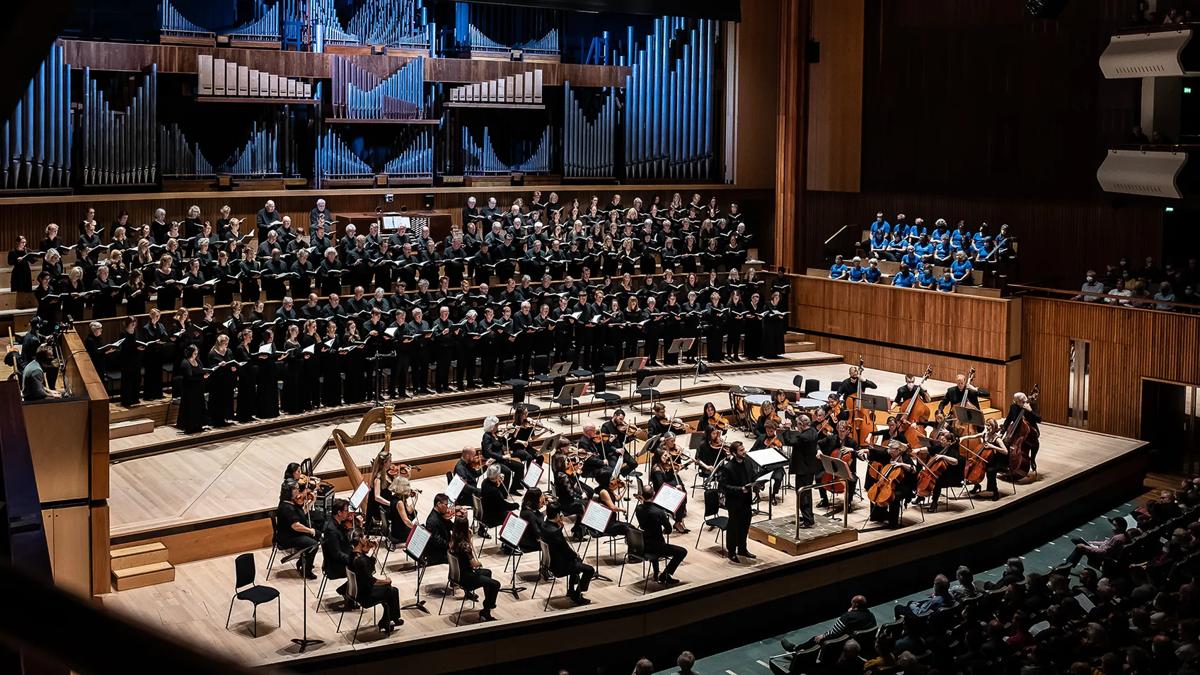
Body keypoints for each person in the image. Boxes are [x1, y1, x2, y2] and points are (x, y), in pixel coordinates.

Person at [448, 515, 501, 621]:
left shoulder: (452, 540)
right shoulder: (464, 545)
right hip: (467, 578)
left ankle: (487, 606)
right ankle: (487, 608)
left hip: (457, 575)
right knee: (496, 584)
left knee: (487, 573)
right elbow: (474, 564)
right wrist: (479, 562)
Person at [633, 486, 687, 585]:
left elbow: (645, 510)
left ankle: (656, 572)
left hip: (643, 544)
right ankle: (665, 575)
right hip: (657, 546)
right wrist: (663, 530)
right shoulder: (659, 512)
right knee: (682, 552)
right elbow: (669, 530)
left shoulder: (638, 508)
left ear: (642, 495)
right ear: (654, 494)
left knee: (656, 544)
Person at [781, 595, 876, 651]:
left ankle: (795, 648)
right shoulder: (871, 615)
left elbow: (835, 632)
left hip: (843, 644)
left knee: (817, 638)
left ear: (855, 604)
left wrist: (823, 636)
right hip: (863, 644)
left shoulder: (847, 616)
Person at [349, 534, 403, 633]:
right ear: (361, 540)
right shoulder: (361, 560)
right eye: (365, 538)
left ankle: (390, 619)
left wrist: (373, 549)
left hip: (357, 591)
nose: (367, 539)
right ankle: (387, 621)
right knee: (391, 590)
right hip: (365, 596)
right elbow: (371, 580)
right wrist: (385, 581)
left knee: (391, 590)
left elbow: (368, 568)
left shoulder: (353, 554)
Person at [543, 503, 595, 605]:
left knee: (576, 561)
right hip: (560, 567)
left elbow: (558, 543)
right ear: (558, 516)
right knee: (589, 570)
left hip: (550, 563)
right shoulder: (555, 533)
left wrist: (560, 526)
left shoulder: (544, 525)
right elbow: (566, 550)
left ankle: (571, 590)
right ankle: (577, 593)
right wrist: (576, 555)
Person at [718, 441, 756, 562]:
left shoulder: (747, 461)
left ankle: (742, 549)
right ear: (734, 453)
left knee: (745, 526)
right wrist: (740, 489)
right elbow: (723, 487)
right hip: (734, 503)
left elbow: (753, 476)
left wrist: (758, 483)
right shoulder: (728, 468)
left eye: (743, 448)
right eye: (741, 450)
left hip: (746, 500)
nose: (744, 451)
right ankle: (732, 552)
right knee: (734, 528)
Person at [276, 480, 318, 578]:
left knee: (317, 535)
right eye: (296, 488)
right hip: (287, 537)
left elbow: (301, 514)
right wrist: (309, 530)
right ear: (289, 491)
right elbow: (296, 525)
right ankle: (306, 571)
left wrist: (312, 502)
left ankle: (303, 562)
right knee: (313, 544)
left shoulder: (292, 502)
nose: (299, 490)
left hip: (293, 533)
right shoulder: (286, 507)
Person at [321, 498, 357, 608]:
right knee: (362, 568)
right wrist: (353, 560)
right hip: (334, 566)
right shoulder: (331, 530)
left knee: (363, 565)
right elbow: (336, 554)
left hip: (339, 559)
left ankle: (346, 591)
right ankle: (348, 595)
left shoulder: (336, 523)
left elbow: (345, 541)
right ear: (339, 513)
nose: (348, 513)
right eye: (346, 511)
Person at [175, 344, 209, 433]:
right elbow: (189, 377)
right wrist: (202, 377)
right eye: (194, 353)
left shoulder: (198, 360)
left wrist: (205, 374)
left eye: (197, 353)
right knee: (191, 408)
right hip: (189, 390)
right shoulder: (185, 363)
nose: (196, 355)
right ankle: (190, 426)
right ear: (190, 353)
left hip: (198, 389)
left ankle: (198, 425)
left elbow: (201, 370)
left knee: (199, 406)